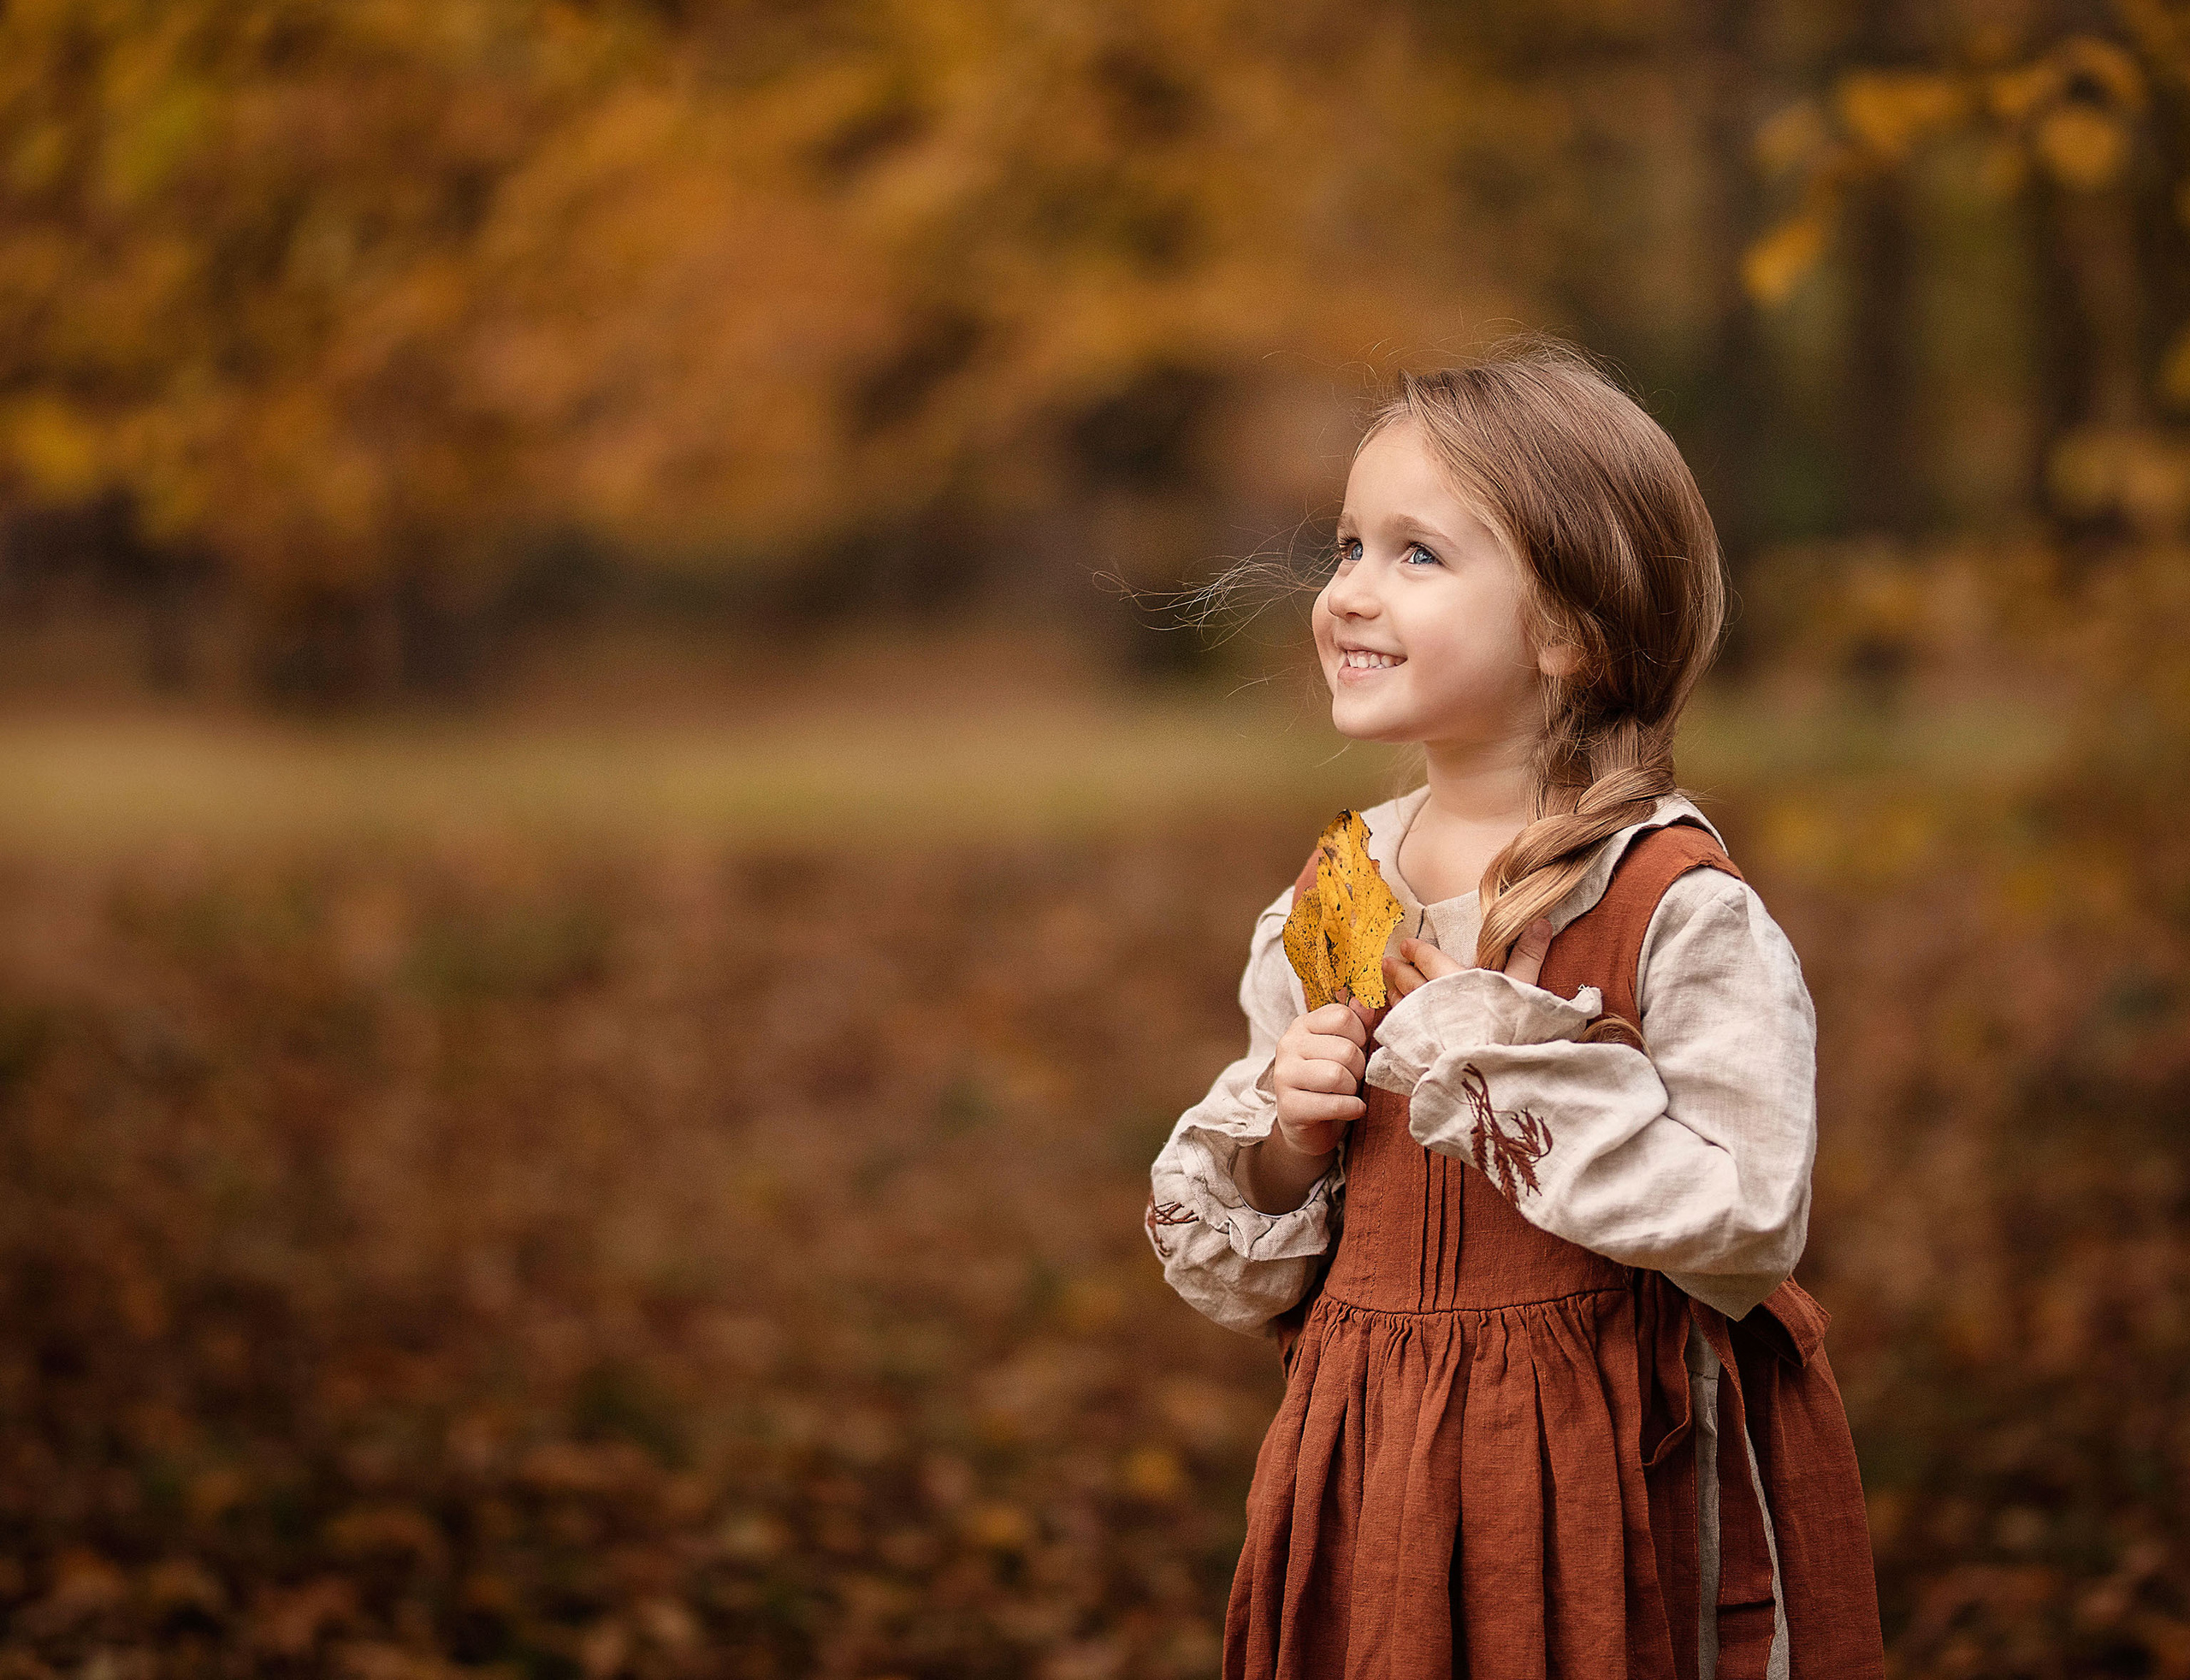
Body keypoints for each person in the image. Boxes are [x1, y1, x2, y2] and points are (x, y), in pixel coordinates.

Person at [1145, 339, 1885, 1680]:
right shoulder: (1336, 894)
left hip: (1607, 1463)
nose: (1349, 591)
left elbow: (1748, 1221)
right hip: (1376, 1455)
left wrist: (1487, 1065)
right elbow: (1247, 1252)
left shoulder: (1671, 906)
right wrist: (1288, 1137)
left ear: (1571, 630)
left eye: (1417, 554)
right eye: (1348, 546)